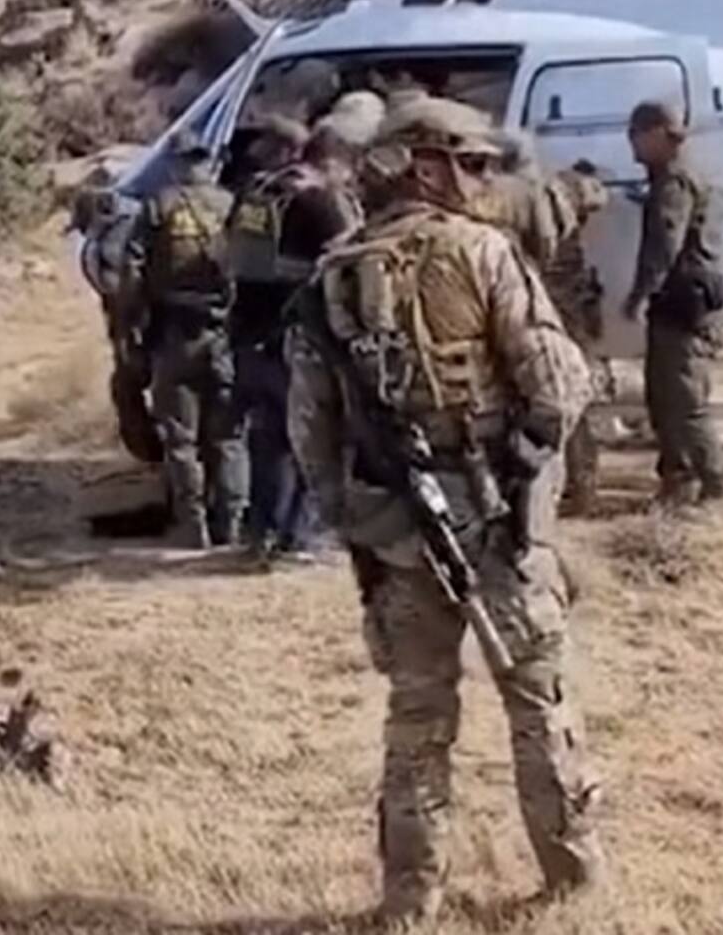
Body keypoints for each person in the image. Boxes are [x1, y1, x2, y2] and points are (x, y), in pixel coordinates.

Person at [286, 96, 605, 921]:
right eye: (471, 163)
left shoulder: (331, 278)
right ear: (423, 166)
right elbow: (561, 384)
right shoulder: (483, 253)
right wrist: (531, 464)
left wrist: (354, 529)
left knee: (417, 721)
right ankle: (573, 883)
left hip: (395, 536)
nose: (483, 180)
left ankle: (409, 901)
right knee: (538, 703)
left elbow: (311, 435)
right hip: (499, 528)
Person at [229, 118, 364, 557]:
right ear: (333, 161)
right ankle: (301, 538)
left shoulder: (255, 194)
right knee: (313, 435)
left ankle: (260, 532)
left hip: (248, 332)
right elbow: (349, 265)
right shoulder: (320, 202)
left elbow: (226, 256)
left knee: (266, 439)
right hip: (297, 337)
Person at [123, 130, 248, 549]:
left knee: (181, 438)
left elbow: (131, 274)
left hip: (173, 334)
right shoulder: (231, 204)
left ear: (174, 163)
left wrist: (132, 326)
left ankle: (193, 526)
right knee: (229, 436)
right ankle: (230, 522)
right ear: (206, 162)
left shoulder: (157, 206)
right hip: (226, 332)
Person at [621, 101, 723, 506]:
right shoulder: (675, 177)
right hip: (681, 302)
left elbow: (665, 245)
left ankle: (717, 487)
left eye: (635, 135)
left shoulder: (674, 182)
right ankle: (677, 484)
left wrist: (640, 293)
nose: (631, 146)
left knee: (684, 403)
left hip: (681, 303)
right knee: (664, 399)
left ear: (656, 135)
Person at [543, 162, 610, 515]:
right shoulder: (569, 244)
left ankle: (581, 488)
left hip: (565, 329)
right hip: (573, 326)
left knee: (570, 408)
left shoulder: (557, 246)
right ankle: (581, 486)